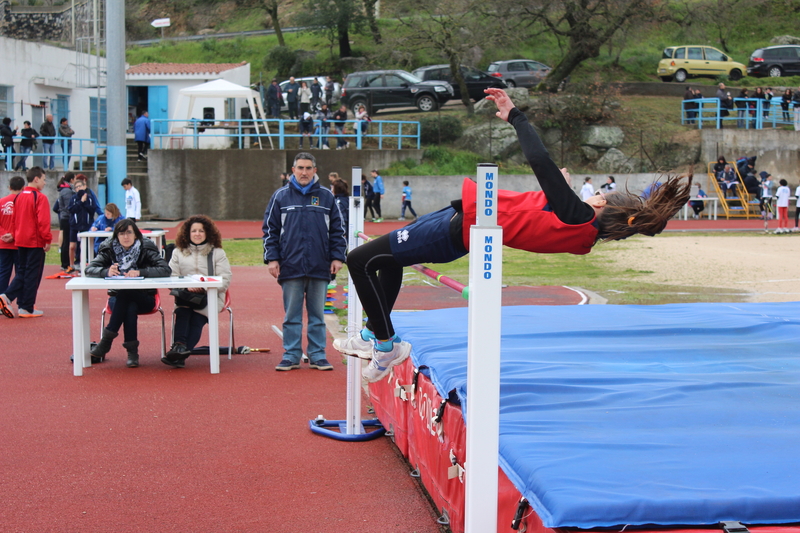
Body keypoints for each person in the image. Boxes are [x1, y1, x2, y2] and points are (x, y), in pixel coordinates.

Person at [335, 88, 691, 383]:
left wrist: (515, 116)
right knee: (387, 261)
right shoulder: (580, 230)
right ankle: (374, 333)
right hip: (458, 220)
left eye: (598, 193)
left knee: (358, 260)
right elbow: (541, 218)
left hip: (453, 231)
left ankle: (385, 345)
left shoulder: (579, 217)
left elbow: (540, 160)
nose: (594, 193)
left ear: (600, 202)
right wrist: (559, 191)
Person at [262, 152, 347, 372]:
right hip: (290, 266)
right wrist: (272, 259)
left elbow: (338, 230)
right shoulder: (280, 196)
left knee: (318, 315)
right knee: (292, 315)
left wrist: (337, 257)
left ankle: (318, 355)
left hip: (320, 265)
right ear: (293, 170)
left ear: (315, 171)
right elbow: (270, 231)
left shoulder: (327, 197)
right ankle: (291, 355)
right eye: (300, 168)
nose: (304, 172)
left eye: (308, 168)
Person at [84, 219, 171, 367]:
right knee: (128, 303)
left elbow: (165, 269)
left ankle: (106, 342)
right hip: (118, 300)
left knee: (125, 295)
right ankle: (132, 353)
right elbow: (89, 269)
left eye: (129, 233)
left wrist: (140, 272)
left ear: (136, 234)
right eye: (122, 233)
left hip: (145, 298)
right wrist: (106, 271)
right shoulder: (108, 248)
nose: (126, 237)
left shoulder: (146, 247)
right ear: (116, 236)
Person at [165, 215, 232, 367]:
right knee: (183, 312)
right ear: (187, 233)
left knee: (196, 318)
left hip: (211, 296)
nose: (197, 234)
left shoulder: (217, 253)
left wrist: (203, 288)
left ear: (208, 233)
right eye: (193, 231)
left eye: (201, 231)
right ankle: (180, 348)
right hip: (185, 296)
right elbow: (171, 278)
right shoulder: (177, 252)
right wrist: (186, 287)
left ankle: (179, 354)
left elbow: (225, 279)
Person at [0, 167, 53, 319]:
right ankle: (24, 306)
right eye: (43, 179)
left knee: (22, 272)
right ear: (36, 179)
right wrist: (47, 239)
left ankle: (11, 299)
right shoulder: (40, 197)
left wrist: (15, 235)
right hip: (34, 241)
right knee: (32, 274)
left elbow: (15, 219)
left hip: (20, 240)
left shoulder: (18, 197)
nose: (44, 183)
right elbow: (43, 221)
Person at [0, 176, 24, 294]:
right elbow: (24, 222)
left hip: (3, 243)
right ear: (23, 188)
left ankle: (1, 301)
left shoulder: (1, 202)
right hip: (19, 243)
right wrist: (14, 235)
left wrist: (4, 234)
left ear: (9, 187)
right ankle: (21, 302)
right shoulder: (23, 202)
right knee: (20, 273)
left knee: (3, 272)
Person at [67, 176, 96, 267]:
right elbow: (71, 209)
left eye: (80, 186)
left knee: (83, 246)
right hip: (75, 225)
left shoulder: (90, 198)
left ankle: (82, 264)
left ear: (84, 186)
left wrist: (85, 202)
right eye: (76, 187)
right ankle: (71, 265)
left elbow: (92, 211)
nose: (79, 188)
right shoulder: (73, 198)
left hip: (85, 225)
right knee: (72, 246)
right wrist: (81, 202)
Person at [54, 173, 75, 272]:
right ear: (71, 179)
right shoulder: (67, 191)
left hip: (64, 217)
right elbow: (68, 206)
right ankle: (65, 264)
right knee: (66, 242)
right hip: (67, 218)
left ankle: (65, 263)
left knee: (66, 241)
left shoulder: (65, 190)